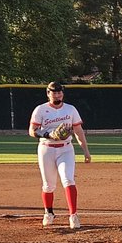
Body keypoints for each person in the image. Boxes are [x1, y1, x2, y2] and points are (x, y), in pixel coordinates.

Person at [28, 81, 91, 229]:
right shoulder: (41, 109)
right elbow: (32, 131)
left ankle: (73, 215)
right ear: (48, 93)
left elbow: (79, 131)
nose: (57, 94)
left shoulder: (70, 109)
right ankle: (48, 213)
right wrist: (48, 133)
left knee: (68, 180)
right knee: (48, 185)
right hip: (46, 149)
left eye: (59, 92)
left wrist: (86, 151)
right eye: (54, 92)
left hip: (66, 149)